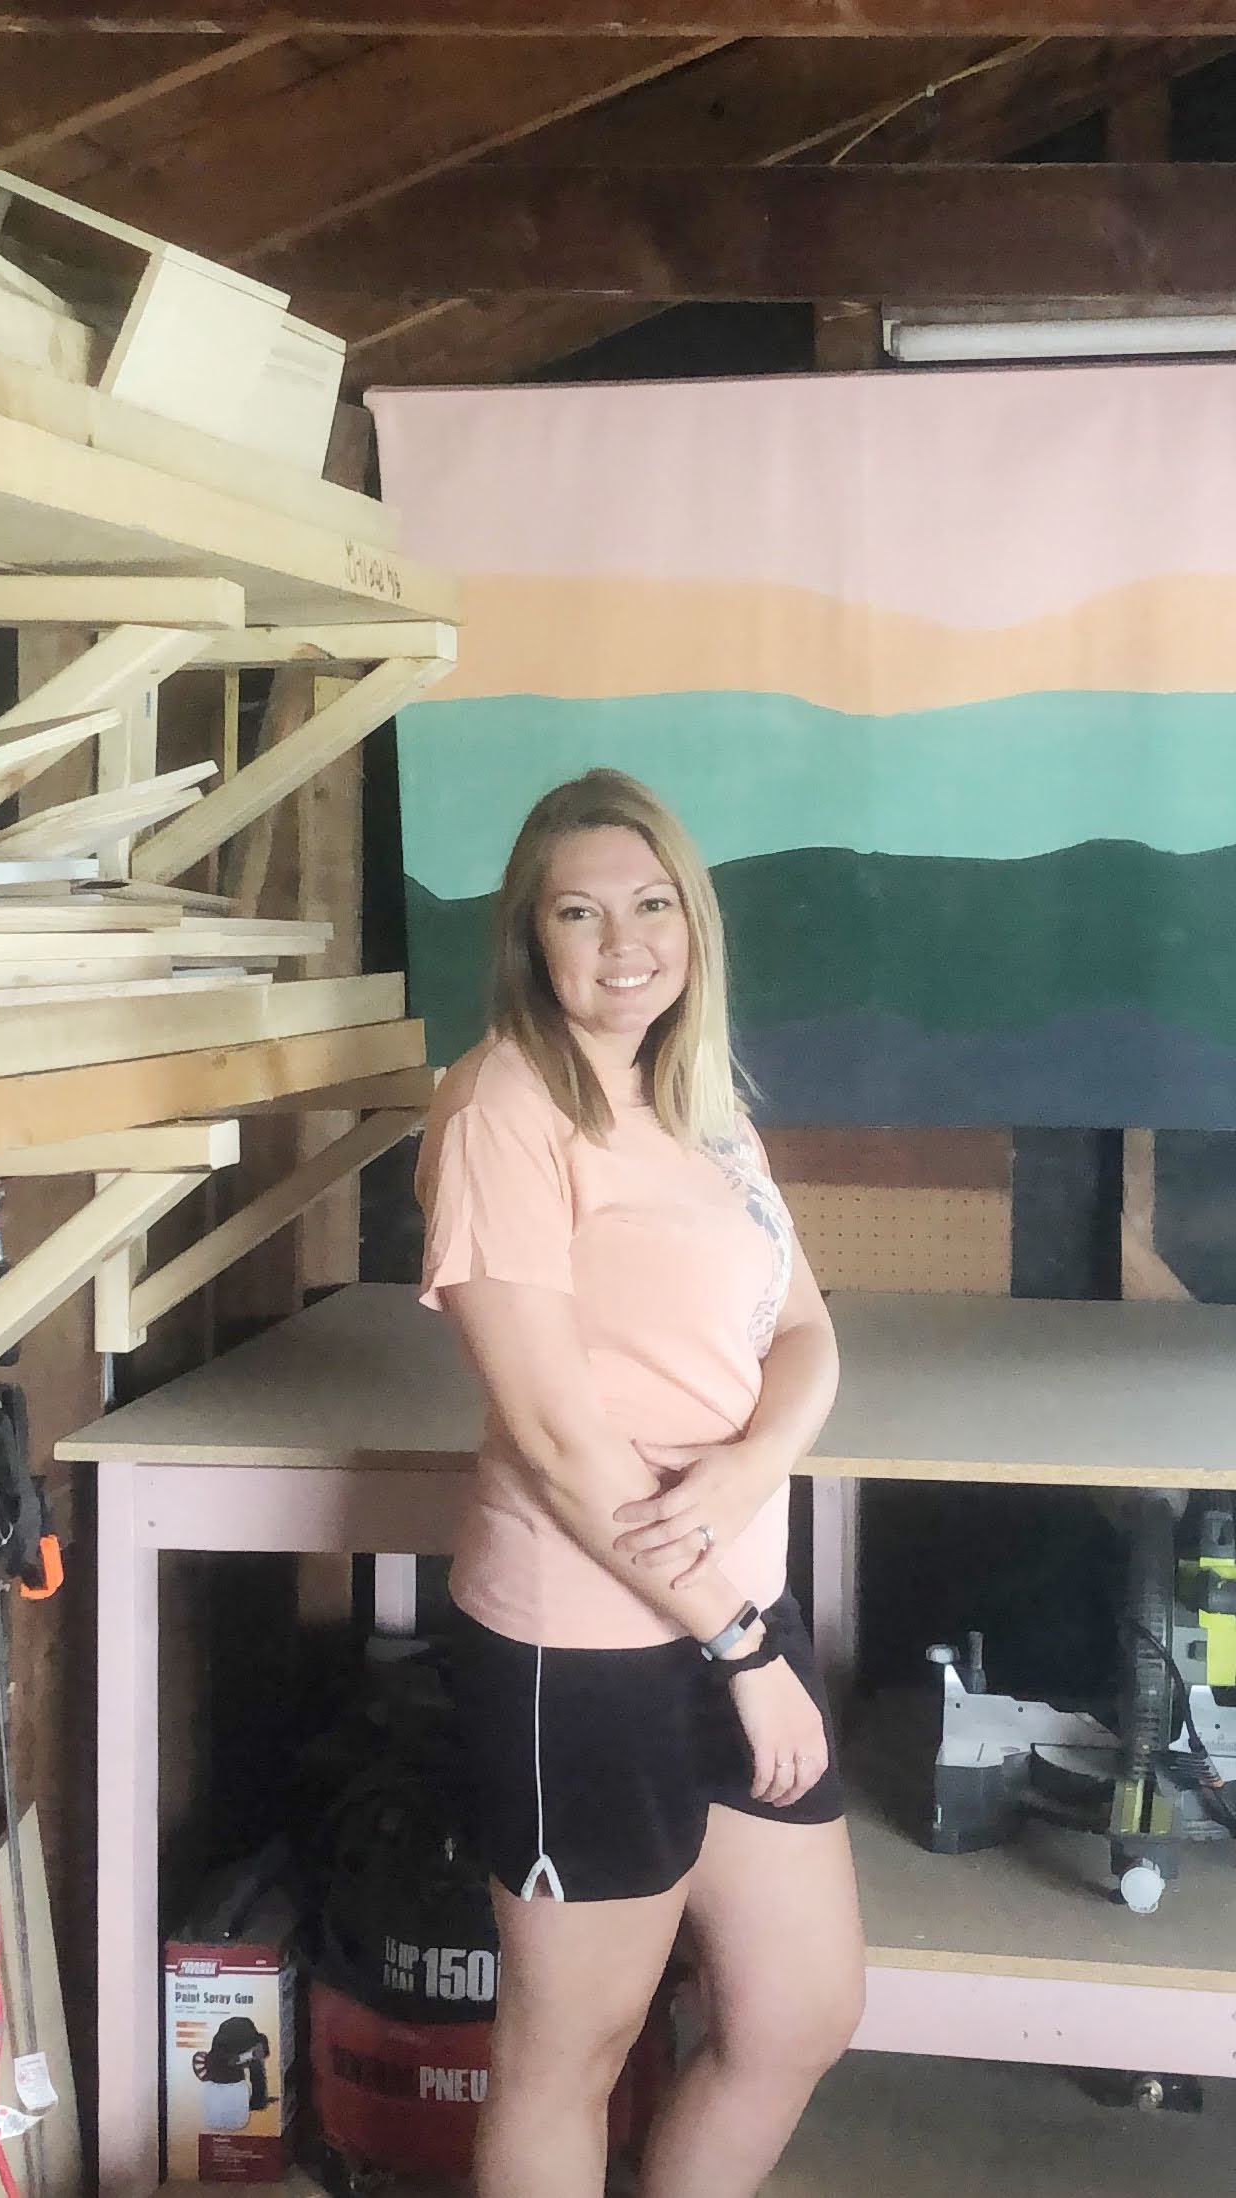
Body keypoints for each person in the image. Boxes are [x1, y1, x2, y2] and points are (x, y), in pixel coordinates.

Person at [415, 768, 864, 2198]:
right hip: (586, 1641)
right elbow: (556, 1438)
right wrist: (743, 1649)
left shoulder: (701, 1100)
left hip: (731, 1602)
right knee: (574, 2047)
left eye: (652, 903)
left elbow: (807, 1334)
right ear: (530, 938)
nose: (624, 943)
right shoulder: (500, 1107)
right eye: (580, 912)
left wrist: (752, 1463)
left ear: (693, 921)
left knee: (798, 2011)